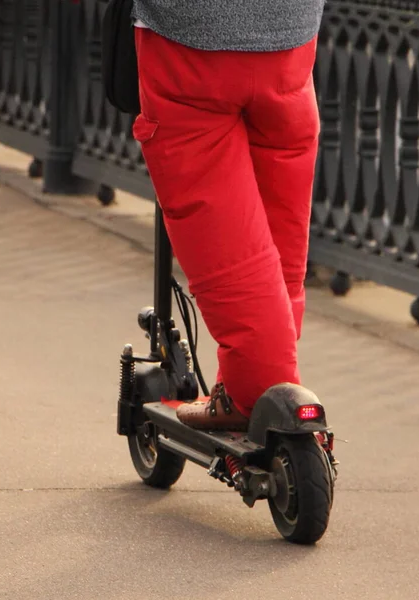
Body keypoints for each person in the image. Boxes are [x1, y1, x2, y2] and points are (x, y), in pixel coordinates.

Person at [131, 0, 325, 431]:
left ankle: (257, 392)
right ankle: (261, 383)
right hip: (290, 33)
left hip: (189, 36)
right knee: (280, 231)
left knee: (227, 241)